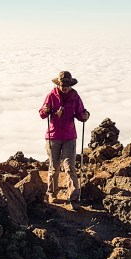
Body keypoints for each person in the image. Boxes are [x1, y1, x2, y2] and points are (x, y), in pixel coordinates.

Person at [39, 71, 90, 204]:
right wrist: (45, 110)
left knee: (70, 167)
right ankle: (52, 193)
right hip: (53, 136)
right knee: (54, 166)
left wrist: (85, 116)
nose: (65, 87)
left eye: (67, 85)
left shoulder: (75, 96)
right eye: (63, 85)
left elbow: (80, 113)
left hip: (68, 136)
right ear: (59, 84)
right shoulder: (51, 95)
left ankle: (73, 198)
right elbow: (42, 114)